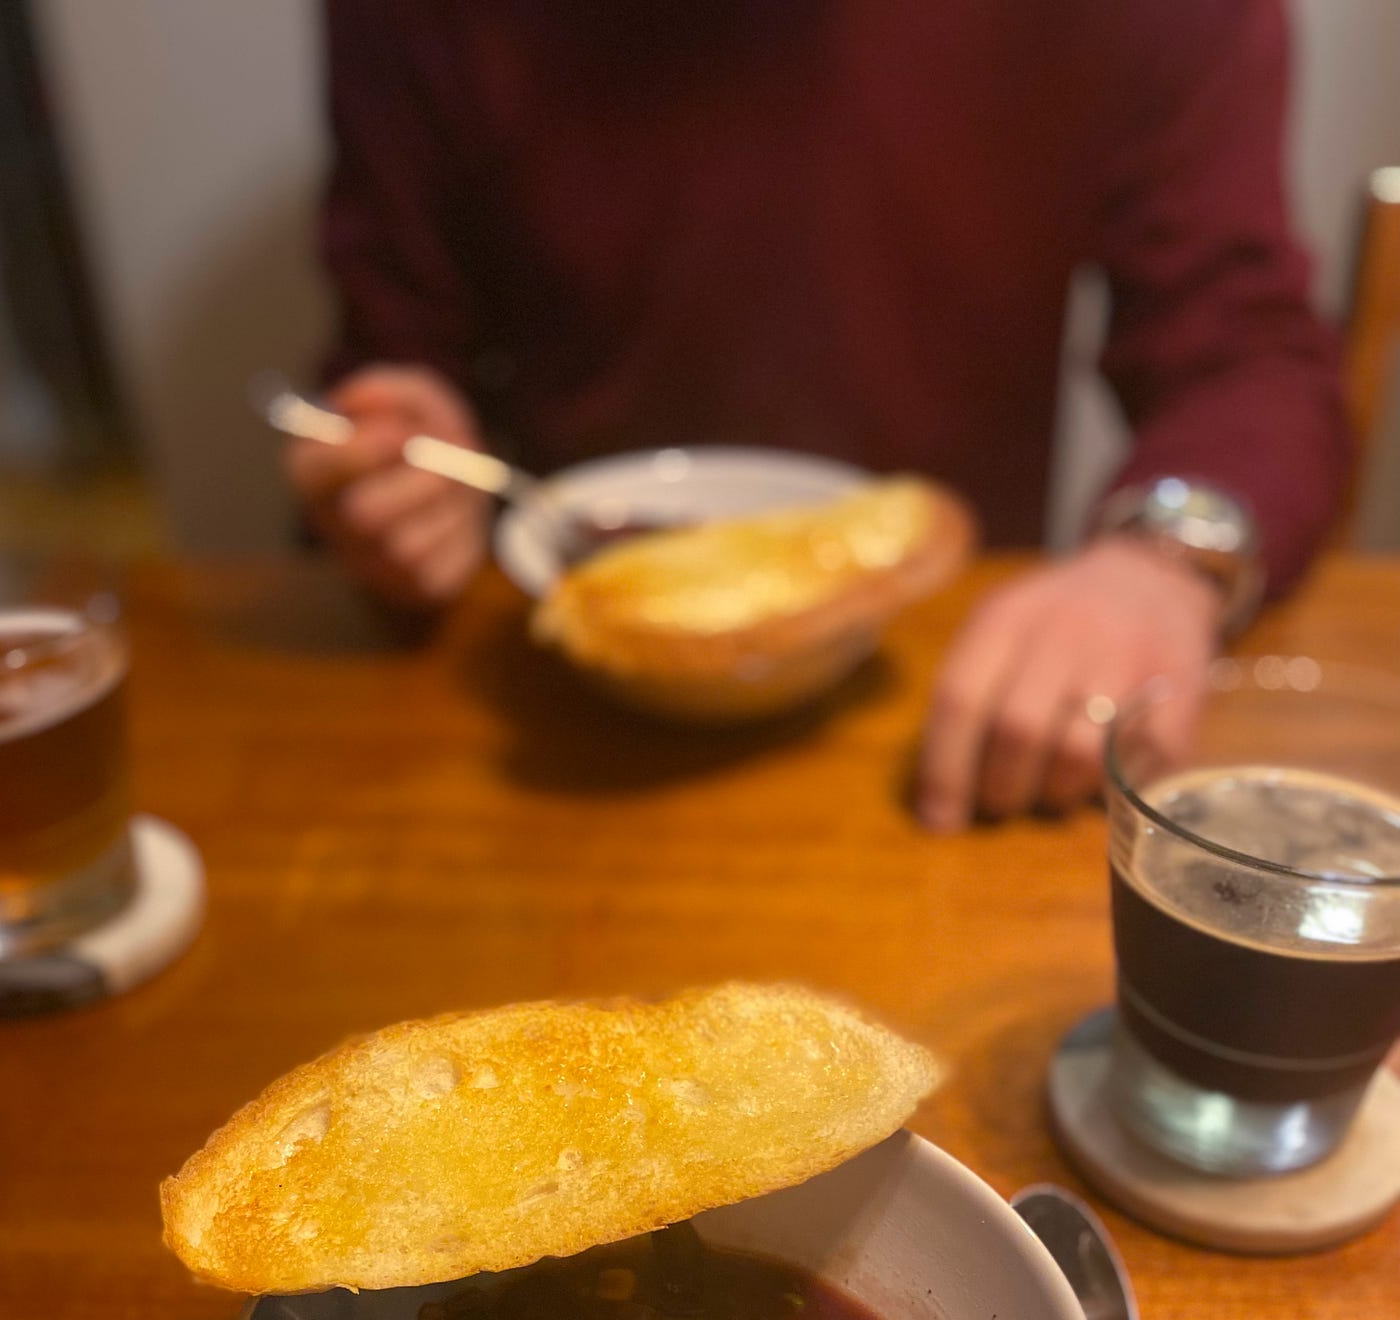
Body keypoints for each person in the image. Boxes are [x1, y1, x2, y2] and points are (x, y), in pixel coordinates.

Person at [286, 1, 1348, 827]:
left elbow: (1245, 357)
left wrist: (1161, 561)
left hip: (957, 717)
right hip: (542, 719)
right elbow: (392, 347)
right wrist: (395, 470)